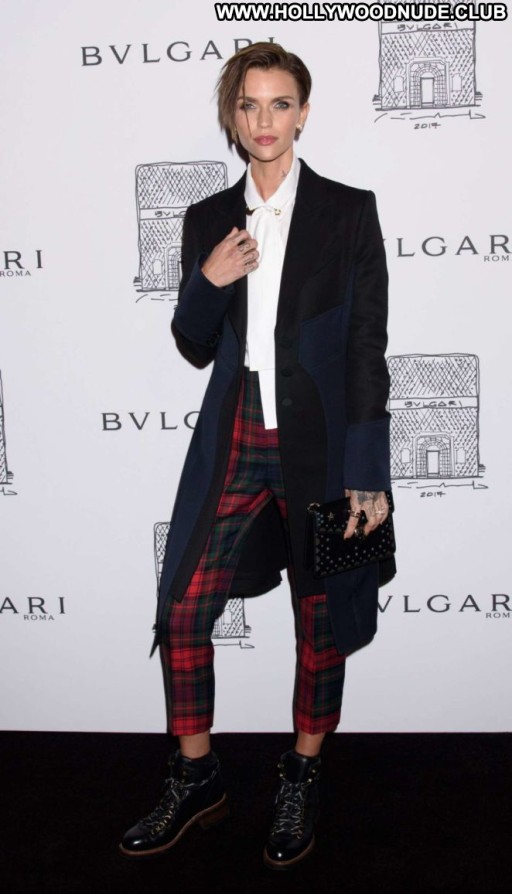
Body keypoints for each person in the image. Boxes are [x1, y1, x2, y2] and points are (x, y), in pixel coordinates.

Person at [120, 41, 394, 869]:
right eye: (249, 104)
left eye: (280, 104)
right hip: (235, 433)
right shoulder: (209, 218)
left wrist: (368, 471)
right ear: (232, 116)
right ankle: (197, 775)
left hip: (323, 446)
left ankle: (302, 774)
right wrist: (208, 279)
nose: (264, 120)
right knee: (182, 609)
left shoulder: (348, 212)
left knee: (321, 619)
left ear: (303, 113)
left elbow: (366, 347)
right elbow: (194, 342)